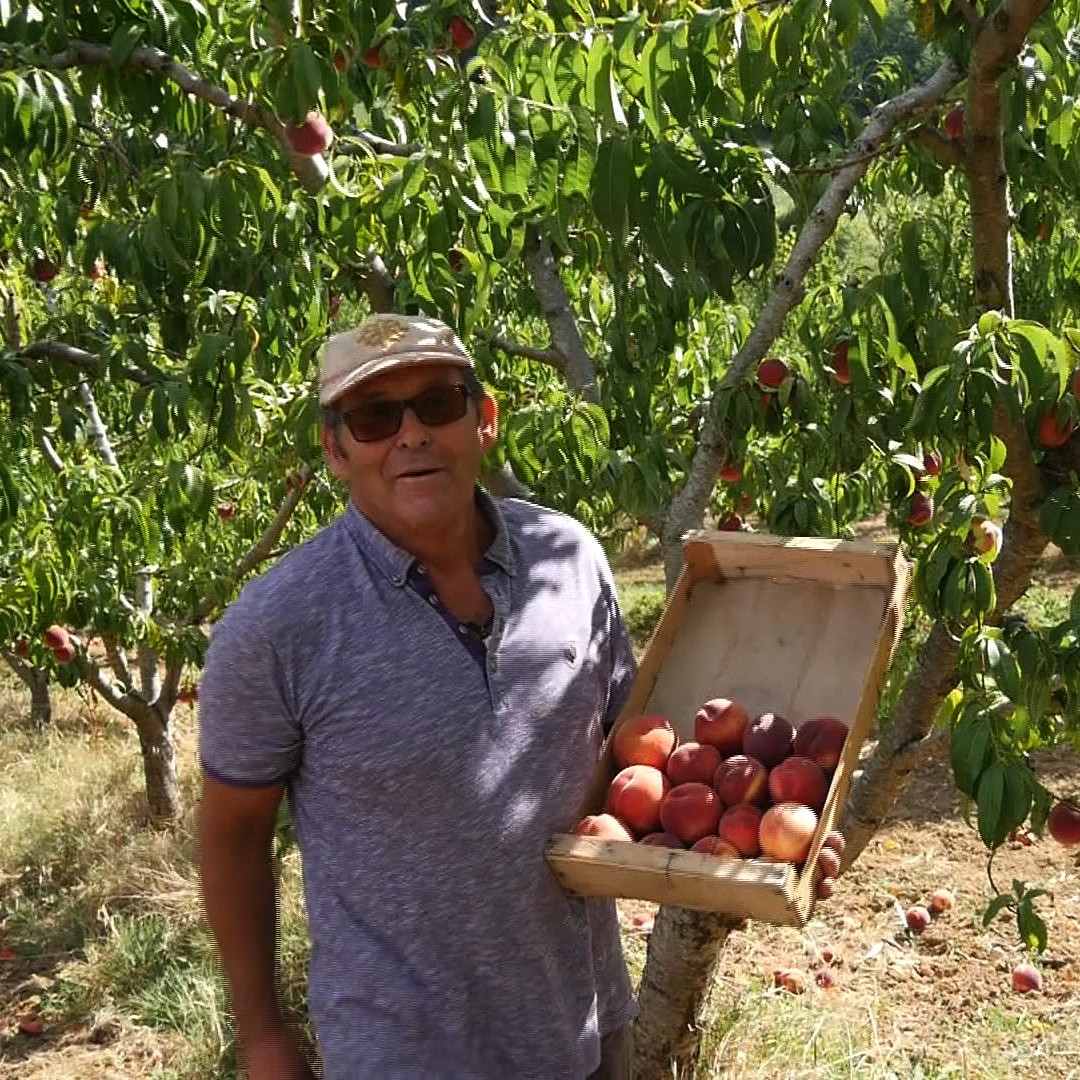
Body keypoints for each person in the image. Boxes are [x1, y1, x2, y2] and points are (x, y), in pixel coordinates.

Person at [197, 314, 639, 1079]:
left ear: (484, 419)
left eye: (438, 404)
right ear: (336, 449)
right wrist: (263, 1037)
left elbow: (636, 755)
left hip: (586, 1020)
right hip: (406, 1052)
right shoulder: (277, 626)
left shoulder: (570, 559)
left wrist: (754, 838)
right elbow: (233, 835)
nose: (411, 436)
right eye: (373, 418)